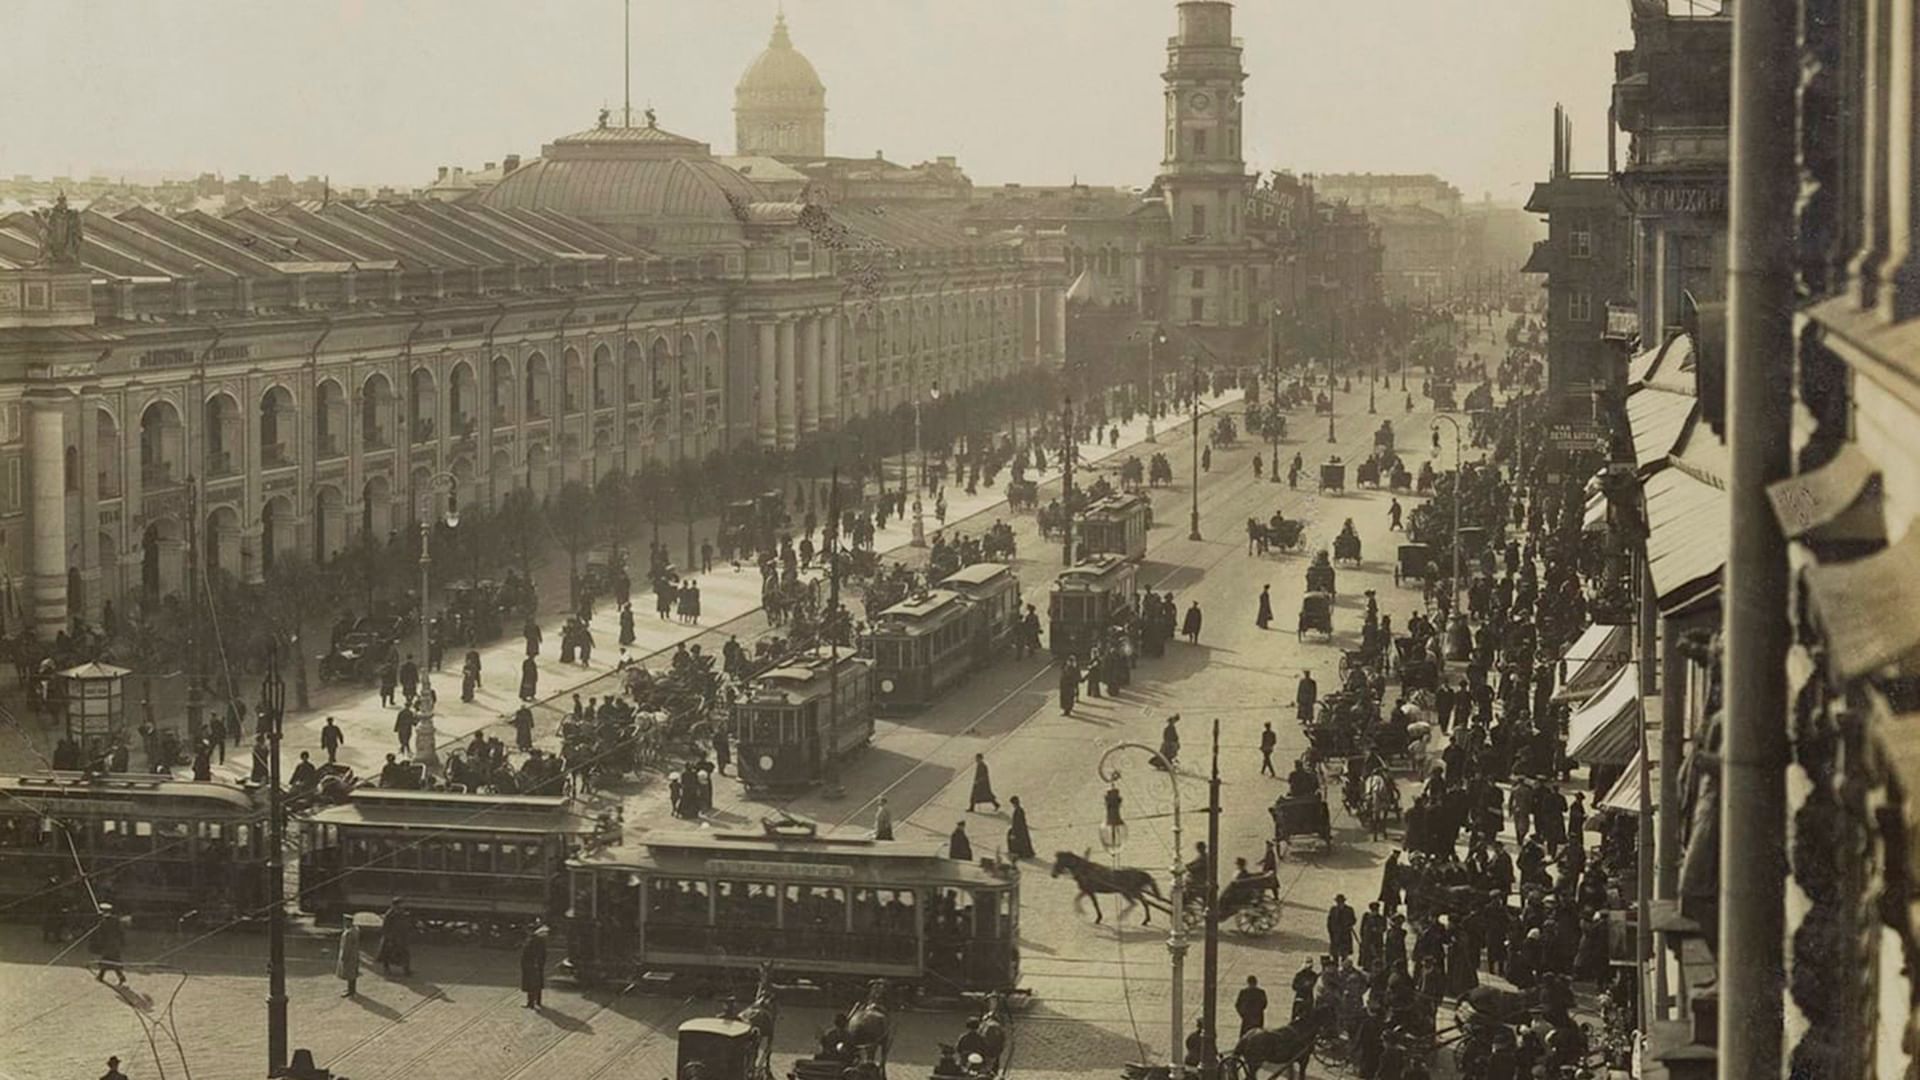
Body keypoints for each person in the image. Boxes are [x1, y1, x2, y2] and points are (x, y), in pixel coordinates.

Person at [90, 904, 127, 985]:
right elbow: (121, 932)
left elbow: (100, 932)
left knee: (108, 960)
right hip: (114, 944)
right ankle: (102, 976)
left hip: (109, 944)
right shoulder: (115, 920)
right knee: (111, 960)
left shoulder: (105, 921)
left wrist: (99, 920)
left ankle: (103, 976)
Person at [377, 898, 413, 977]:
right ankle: (386, 968)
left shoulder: (401, 912)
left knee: (404, 953)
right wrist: (388, 937)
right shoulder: (390, 914)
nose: (402, 905)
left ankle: (406, 970)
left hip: (400, 937)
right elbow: (386, 927)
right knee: (387, 953)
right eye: (400, 904)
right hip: (392, 937)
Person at [520, 924, 549, 1008]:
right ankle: (536, 1002)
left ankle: (531, 1002)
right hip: (532, 964)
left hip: (532, 964)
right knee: (536, 983)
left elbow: (538, 953)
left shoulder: (535, 940)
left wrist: (536, 963)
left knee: (532, 984)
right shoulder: (537, 939)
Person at [336, 913, 361, 997]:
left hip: (349, 955)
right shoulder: (355, 930)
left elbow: (347, 946)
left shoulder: (349, 933)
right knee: (353, 972)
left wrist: (344, 957)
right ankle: (352, 990)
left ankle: (351, 991)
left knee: (349, 973)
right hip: (354, 954)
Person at [1327, 893, 1357, 961]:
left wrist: (1349, 924)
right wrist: (1331, 932)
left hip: (1345, 936)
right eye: (1338, 902)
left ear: (1344, 902)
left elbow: (1354, 920)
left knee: (1344, 955)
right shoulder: (1333, 910)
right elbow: (1329, 921)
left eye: (1341, 902)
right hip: (1336, 936)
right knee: (1335, 955)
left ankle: (1344, 968)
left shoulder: (1349, 910)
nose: (1339, 904)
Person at [1007, 795, 1035, 860]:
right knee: (1022, 840)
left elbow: (1017, 822)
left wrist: (1014, 830)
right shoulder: (1019, 810)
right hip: (1021, 828)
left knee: (1019, 840)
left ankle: (1022, 853)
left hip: (1019, 829)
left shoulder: (1018, 810)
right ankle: (1024, 852)